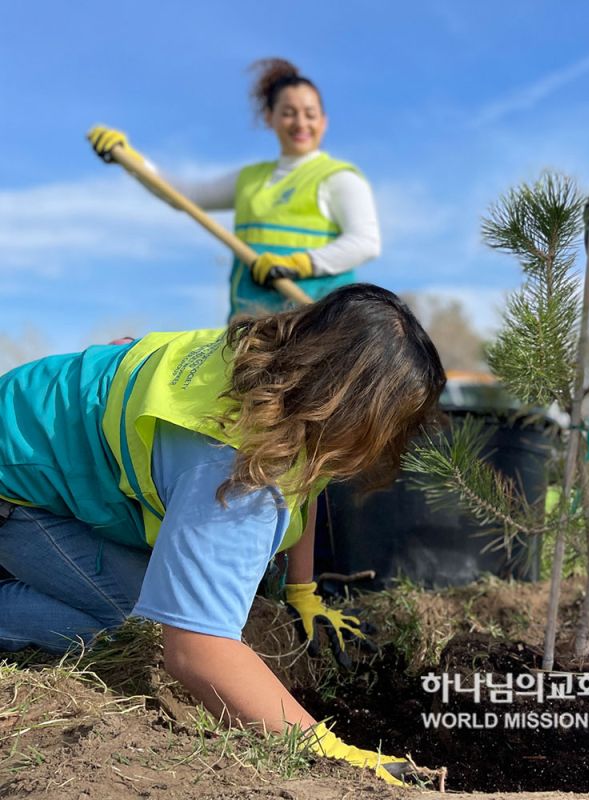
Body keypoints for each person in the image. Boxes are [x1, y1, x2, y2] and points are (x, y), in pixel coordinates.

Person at [0, 284, 446, 782]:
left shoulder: (274, 369)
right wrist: (337, 754)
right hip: (14, 486)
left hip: (38, 419)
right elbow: (195, 649)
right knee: (139, 621)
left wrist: (302, 589)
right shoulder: (231, 465)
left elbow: (309, 479)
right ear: (347, 409)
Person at [87, 58, 381, 318]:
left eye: (310, 113)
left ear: (324, 121)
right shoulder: (250, 179)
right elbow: (184, 196)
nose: (300, 122)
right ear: (270, 118)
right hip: (252, 330)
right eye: (289, 112)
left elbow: (366, 242)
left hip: (317, 330)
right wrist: (132, 161)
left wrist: (299, 264)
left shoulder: (338, 177)